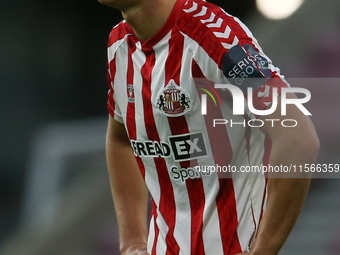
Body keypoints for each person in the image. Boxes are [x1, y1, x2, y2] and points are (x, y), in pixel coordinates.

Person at [99, 0, 319, 254]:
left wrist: (264, 250)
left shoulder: (215, 36)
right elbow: (120, 139)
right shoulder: (119, 44)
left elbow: (298, 138)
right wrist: (132, 242)